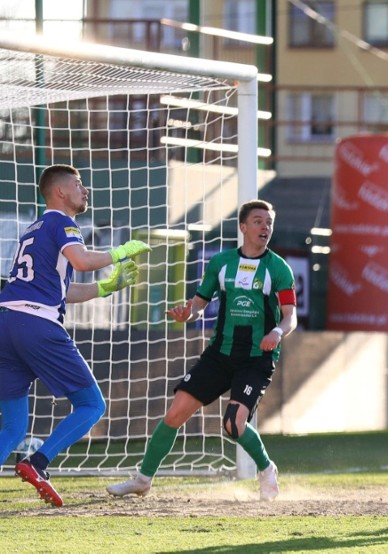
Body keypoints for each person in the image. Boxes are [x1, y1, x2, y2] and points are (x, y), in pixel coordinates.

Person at [106, 199, 297, 501]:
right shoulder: (221, 263)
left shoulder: (279, 268)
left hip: (256, 359)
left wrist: (276, 331)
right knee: (174, 414)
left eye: (269, 222)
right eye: (259, 221)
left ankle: (266, 469)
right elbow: (199, 304)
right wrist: (188, 313)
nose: (265, 227)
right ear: (243, 226)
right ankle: (143, 480)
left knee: (233, 425)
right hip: (220, 354)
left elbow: (290, 316)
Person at [0, 164, 149, 507]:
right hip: (35, 325)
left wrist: (106, 287)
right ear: (60, 192)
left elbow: (61, 290)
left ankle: (32, 460)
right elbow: (81, 261)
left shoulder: (33, 229)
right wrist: (119, 252)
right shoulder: (61, 221)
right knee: (92, 405)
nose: (86, 190)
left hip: (7, 323)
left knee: (13, 428)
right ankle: (37, 462)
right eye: (79, 184)